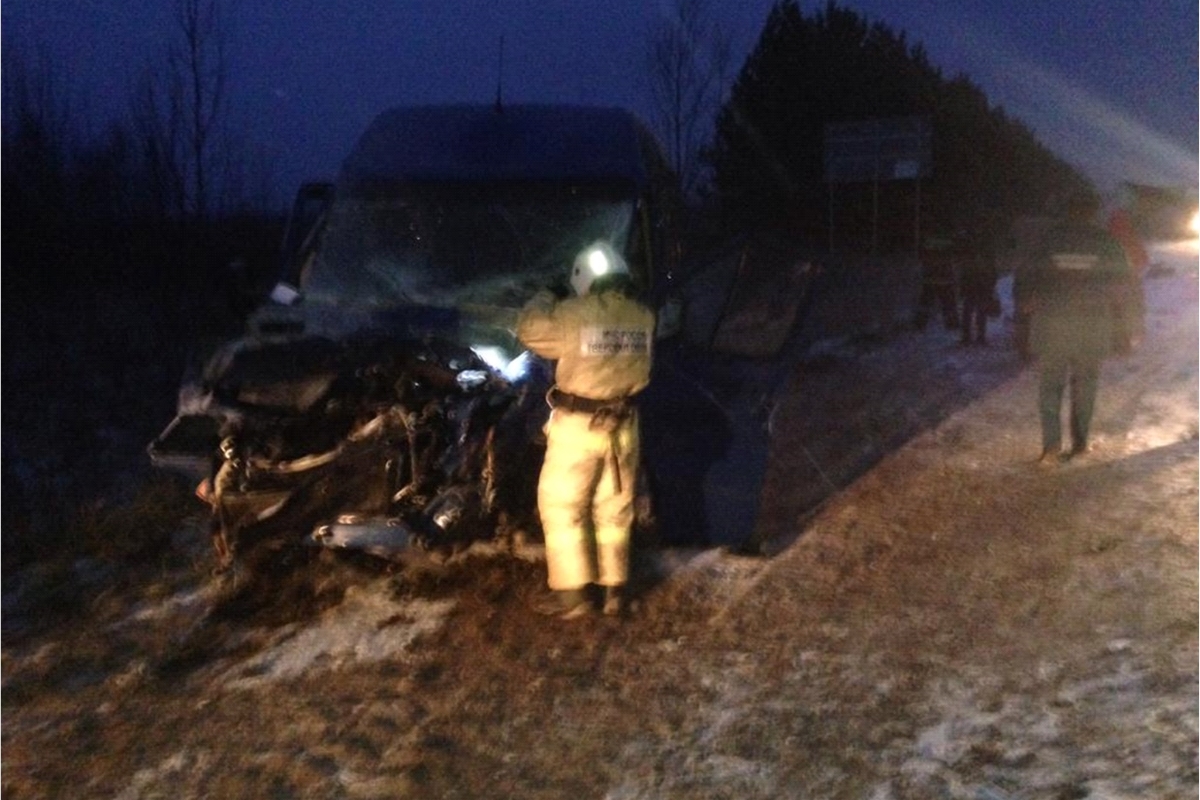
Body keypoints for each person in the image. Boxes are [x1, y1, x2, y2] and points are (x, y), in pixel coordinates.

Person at [516, 242, 655, 618]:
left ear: (584, 280)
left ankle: (572, 599)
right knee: (614, 510)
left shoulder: (574, 313)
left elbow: (529, 330)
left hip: (579, 426)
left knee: (563, 507)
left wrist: (547, 295)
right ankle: (615, 593)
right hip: (624, 426)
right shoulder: (642, 315)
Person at [1015, 195, 1131, 466]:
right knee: (1085, 386)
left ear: (1066, 212)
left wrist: (1025, 304)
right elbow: (1123, 284)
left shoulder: (1047, 241)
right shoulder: (1107, 243)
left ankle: (1051, 447)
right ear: (1092, 214)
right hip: (1092, 326)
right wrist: (1123, 324)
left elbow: (1025, 277)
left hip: (1052, 323)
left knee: (1050, 387)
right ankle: (1079, 444)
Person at [956, 229, 999, 346]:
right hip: (981, 285)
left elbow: (964, 270)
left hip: (974, 285)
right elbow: (992, 270)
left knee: (969, 312)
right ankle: (979, 337)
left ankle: (968, 338)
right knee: (979, 312)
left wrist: (962, 286)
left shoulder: (969, 253)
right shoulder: (986, 253)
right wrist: (991, 284)